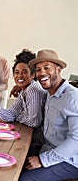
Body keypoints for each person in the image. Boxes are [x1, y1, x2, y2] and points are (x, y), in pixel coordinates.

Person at [19, 49, 78, 181]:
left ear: (58, 69)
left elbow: (76, 141)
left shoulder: (72, 97)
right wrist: (22, 85)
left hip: (70, 160)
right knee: (11, 162)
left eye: (47, 68)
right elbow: (35, 90)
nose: (42, 73)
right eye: (38, 70)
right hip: (47, 149)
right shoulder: (49, 93)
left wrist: (42, 160)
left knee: (24, 179)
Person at [0, 49, 46, 127]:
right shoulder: (24, 90)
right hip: (29, 131)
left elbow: (34, 122)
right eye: (16, 72)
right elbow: (11, 114)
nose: (20, 76)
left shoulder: (33, 90)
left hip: (38, 135)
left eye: (24, 72)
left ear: (32, 75)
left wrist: (18, 116)